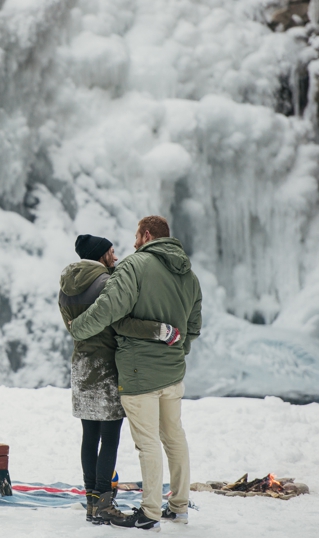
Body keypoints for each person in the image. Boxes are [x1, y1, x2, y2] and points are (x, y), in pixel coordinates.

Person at [68, 216, 202, 531]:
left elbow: (108, 309)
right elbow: (193, 326)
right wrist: (178, 352)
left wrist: (79, 328)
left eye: (135, 237)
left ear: (145, 235)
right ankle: (179, 506)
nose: (132, 244)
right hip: (173, 371)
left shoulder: (134, 266)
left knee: (147, 443)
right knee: (174, 436)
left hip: (140, 372)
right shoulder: (189, 274)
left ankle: (150, 511)